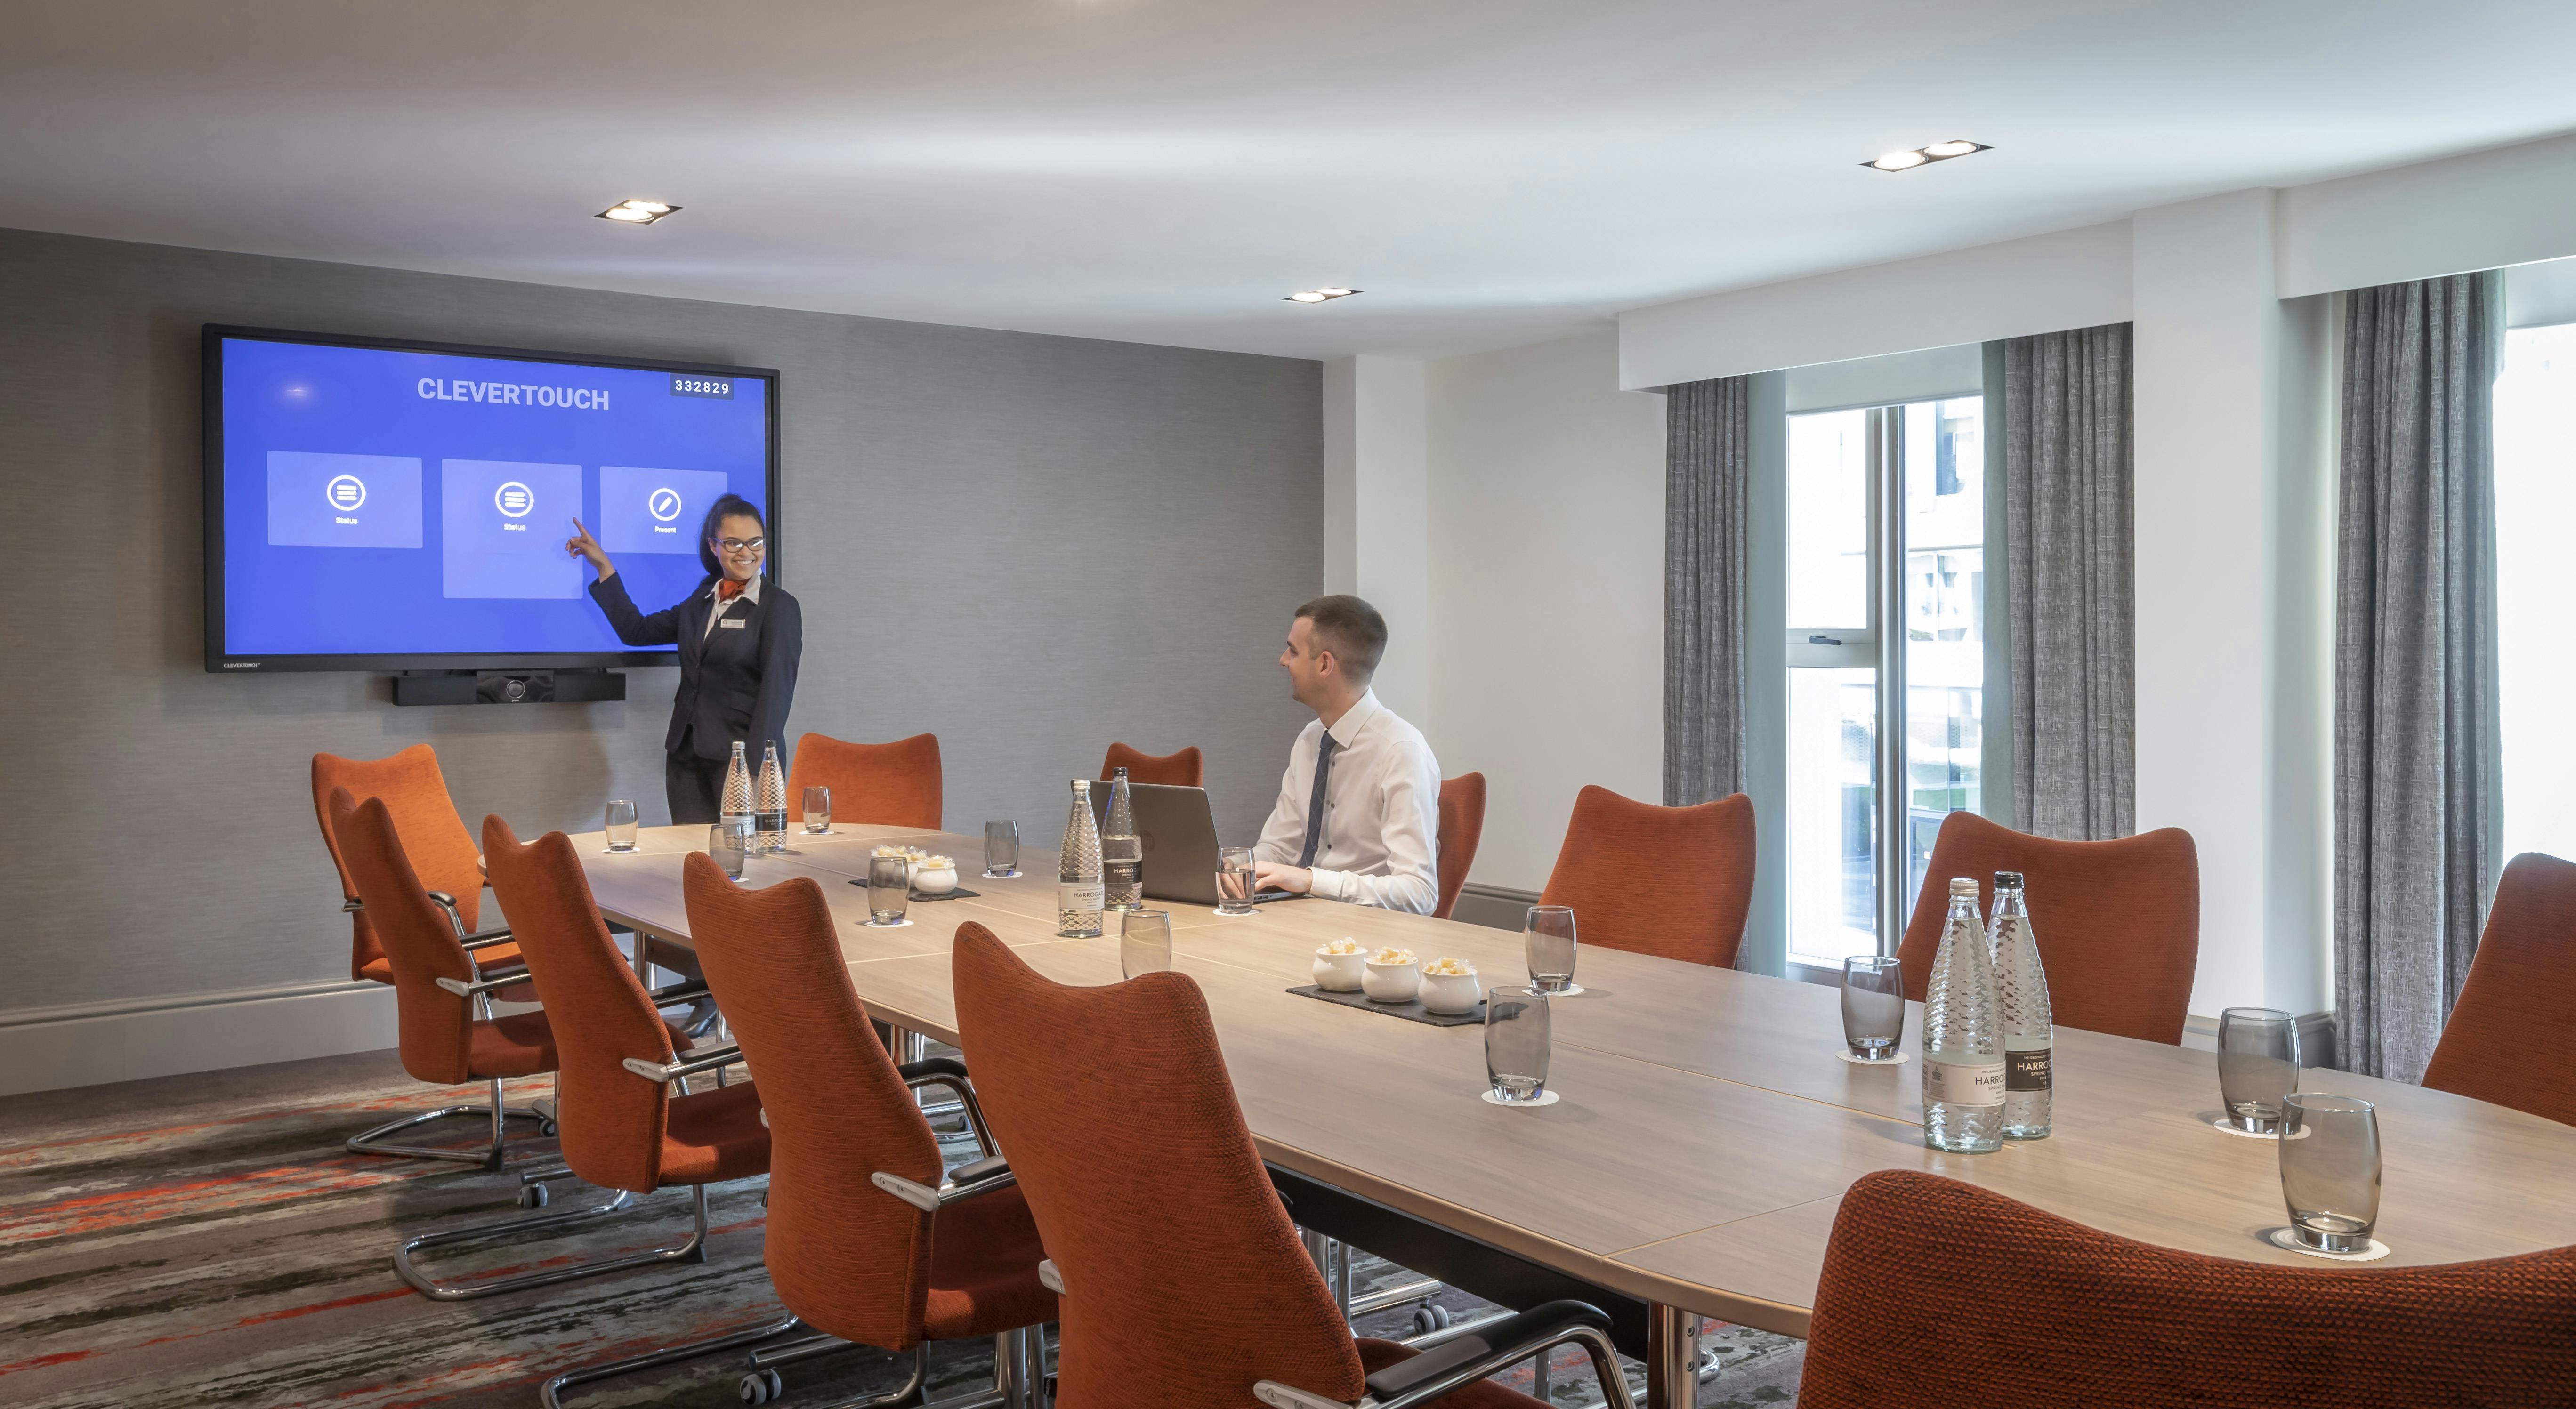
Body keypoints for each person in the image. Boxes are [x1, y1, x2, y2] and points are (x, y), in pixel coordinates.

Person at [566, 495, 802, 826]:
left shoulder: (779, 607)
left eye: (755, 542)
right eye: (733, 543)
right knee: (694, 859)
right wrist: (603, 565)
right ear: (713, 545)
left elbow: (776, 694)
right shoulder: (701, 602)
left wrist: (754, 770)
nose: (746, 552)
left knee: (745, 865)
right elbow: (636, 631)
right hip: (686, 756)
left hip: (739, 761)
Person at [1252, 595, 1441, 914]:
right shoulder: (1310, 739)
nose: (1283, 660)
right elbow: (1281, 847)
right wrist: (1234, 867)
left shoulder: (1401, 751)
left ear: (1324, 664)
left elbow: (1419, 893)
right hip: (1298, 920)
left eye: (1294, 651)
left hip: (1366, 940)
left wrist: (1312, 881)